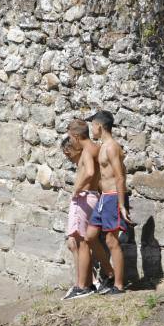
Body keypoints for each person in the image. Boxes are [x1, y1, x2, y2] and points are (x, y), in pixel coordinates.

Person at [85, 110, 132, 295]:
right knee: (90, 236)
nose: (92, 129)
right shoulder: (103, 146)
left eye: (93, 125)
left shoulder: (112, 147)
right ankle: (110, 273)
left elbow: (120, 177)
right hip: (104, 197)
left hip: (113, 197)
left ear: (99, 126)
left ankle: (119, 286)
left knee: (112, 241)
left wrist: (121, 204)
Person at [62, 121, 104, 300]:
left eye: (71, 138)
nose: (70, 141)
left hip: (85, 196)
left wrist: (76, 189)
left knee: (81, 241)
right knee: (81, 241)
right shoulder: (96, 148)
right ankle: (87, 283)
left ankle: (82, 286)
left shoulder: (87, 150)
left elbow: (89, 172)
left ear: (77, 136)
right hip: (93, 194)